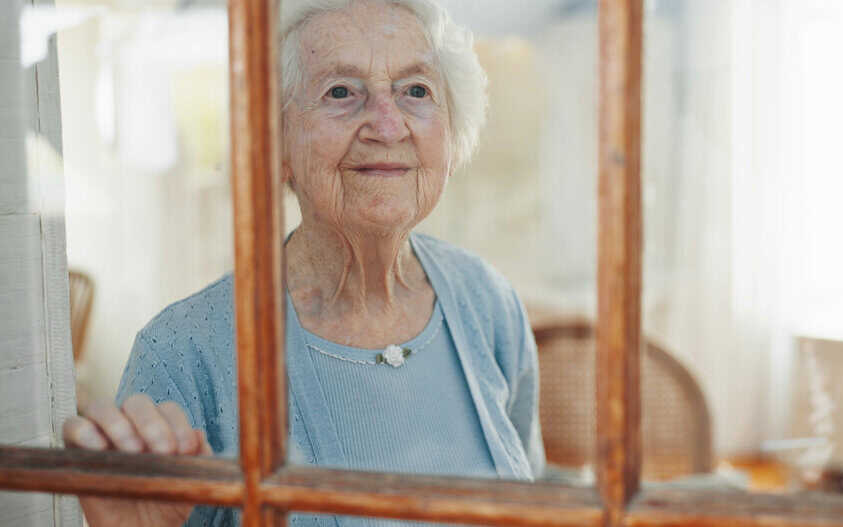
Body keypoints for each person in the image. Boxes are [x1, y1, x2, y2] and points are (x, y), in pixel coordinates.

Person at [61, 1, 545, 525]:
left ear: (451, 133)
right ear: (276, 141)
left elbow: (535, 498)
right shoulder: (183, 355)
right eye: (340, 92)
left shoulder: (487, 301)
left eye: (416, 91)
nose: (387, 125)